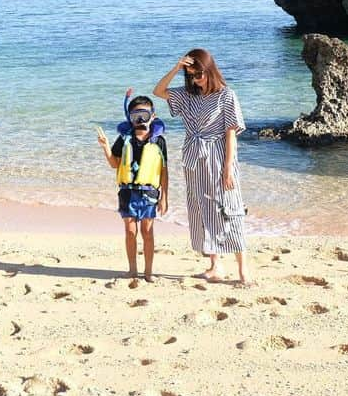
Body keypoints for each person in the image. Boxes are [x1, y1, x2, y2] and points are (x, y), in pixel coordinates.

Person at [154, 49, 251, 284]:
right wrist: (177, 68)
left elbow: (231, 135)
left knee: (230, 208)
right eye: (191, 75)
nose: (196, 79)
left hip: (218, 158)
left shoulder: (226, 95)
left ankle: (243, 272)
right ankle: (215, 265)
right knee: (201, 210)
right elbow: (158, 91)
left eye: (199, 74)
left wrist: (228, 169)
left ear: (209, 70)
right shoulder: (188, 96)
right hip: (194, 159)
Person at [96, 93, 169, 282]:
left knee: (147, 231)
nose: (140, 120)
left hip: (149, 193)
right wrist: (105, 147)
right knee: (130, 232)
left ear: (153, 116)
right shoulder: (124, 139)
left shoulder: (159, 140)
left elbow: (163, 170)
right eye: (136, 115)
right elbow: (114, 164)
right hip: (127, 192)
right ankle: (132, 270)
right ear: (130, 117)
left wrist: (164, 197)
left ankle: (148, 271)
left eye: (144, 115)